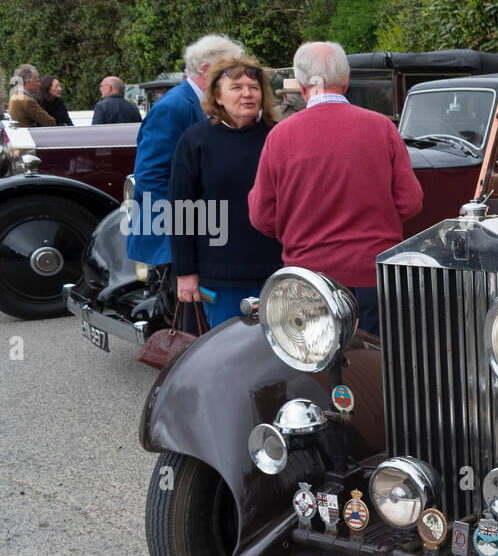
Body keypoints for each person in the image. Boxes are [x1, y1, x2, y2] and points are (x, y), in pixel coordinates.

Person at [249, 41, 422, 336]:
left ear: (301, 85)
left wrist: (299, 229)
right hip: (373, 275)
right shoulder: (381, 128)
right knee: (374, 370)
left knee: (315, 369)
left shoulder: (280, 136)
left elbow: (261, 217)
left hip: (309, 279)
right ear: (345, 80)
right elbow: (410, 202)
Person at [168, 55, 284, 326]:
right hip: (219, 278)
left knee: (278, 360)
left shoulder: (280, 137)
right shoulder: (196, 140)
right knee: (226, 358)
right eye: (236, 87)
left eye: (253, 88)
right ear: (217, 97)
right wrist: (185, 273)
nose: (247, 94)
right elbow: (182, 211)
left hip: (277, 271)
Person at [125, 34, 245, 266]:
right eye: (229, 70)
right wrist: (191, 228)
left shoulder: (205, 103)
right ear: (206, 69)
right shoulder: (172, 107)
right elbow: (151, 177)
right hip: (173, 239)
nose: (236, 77)